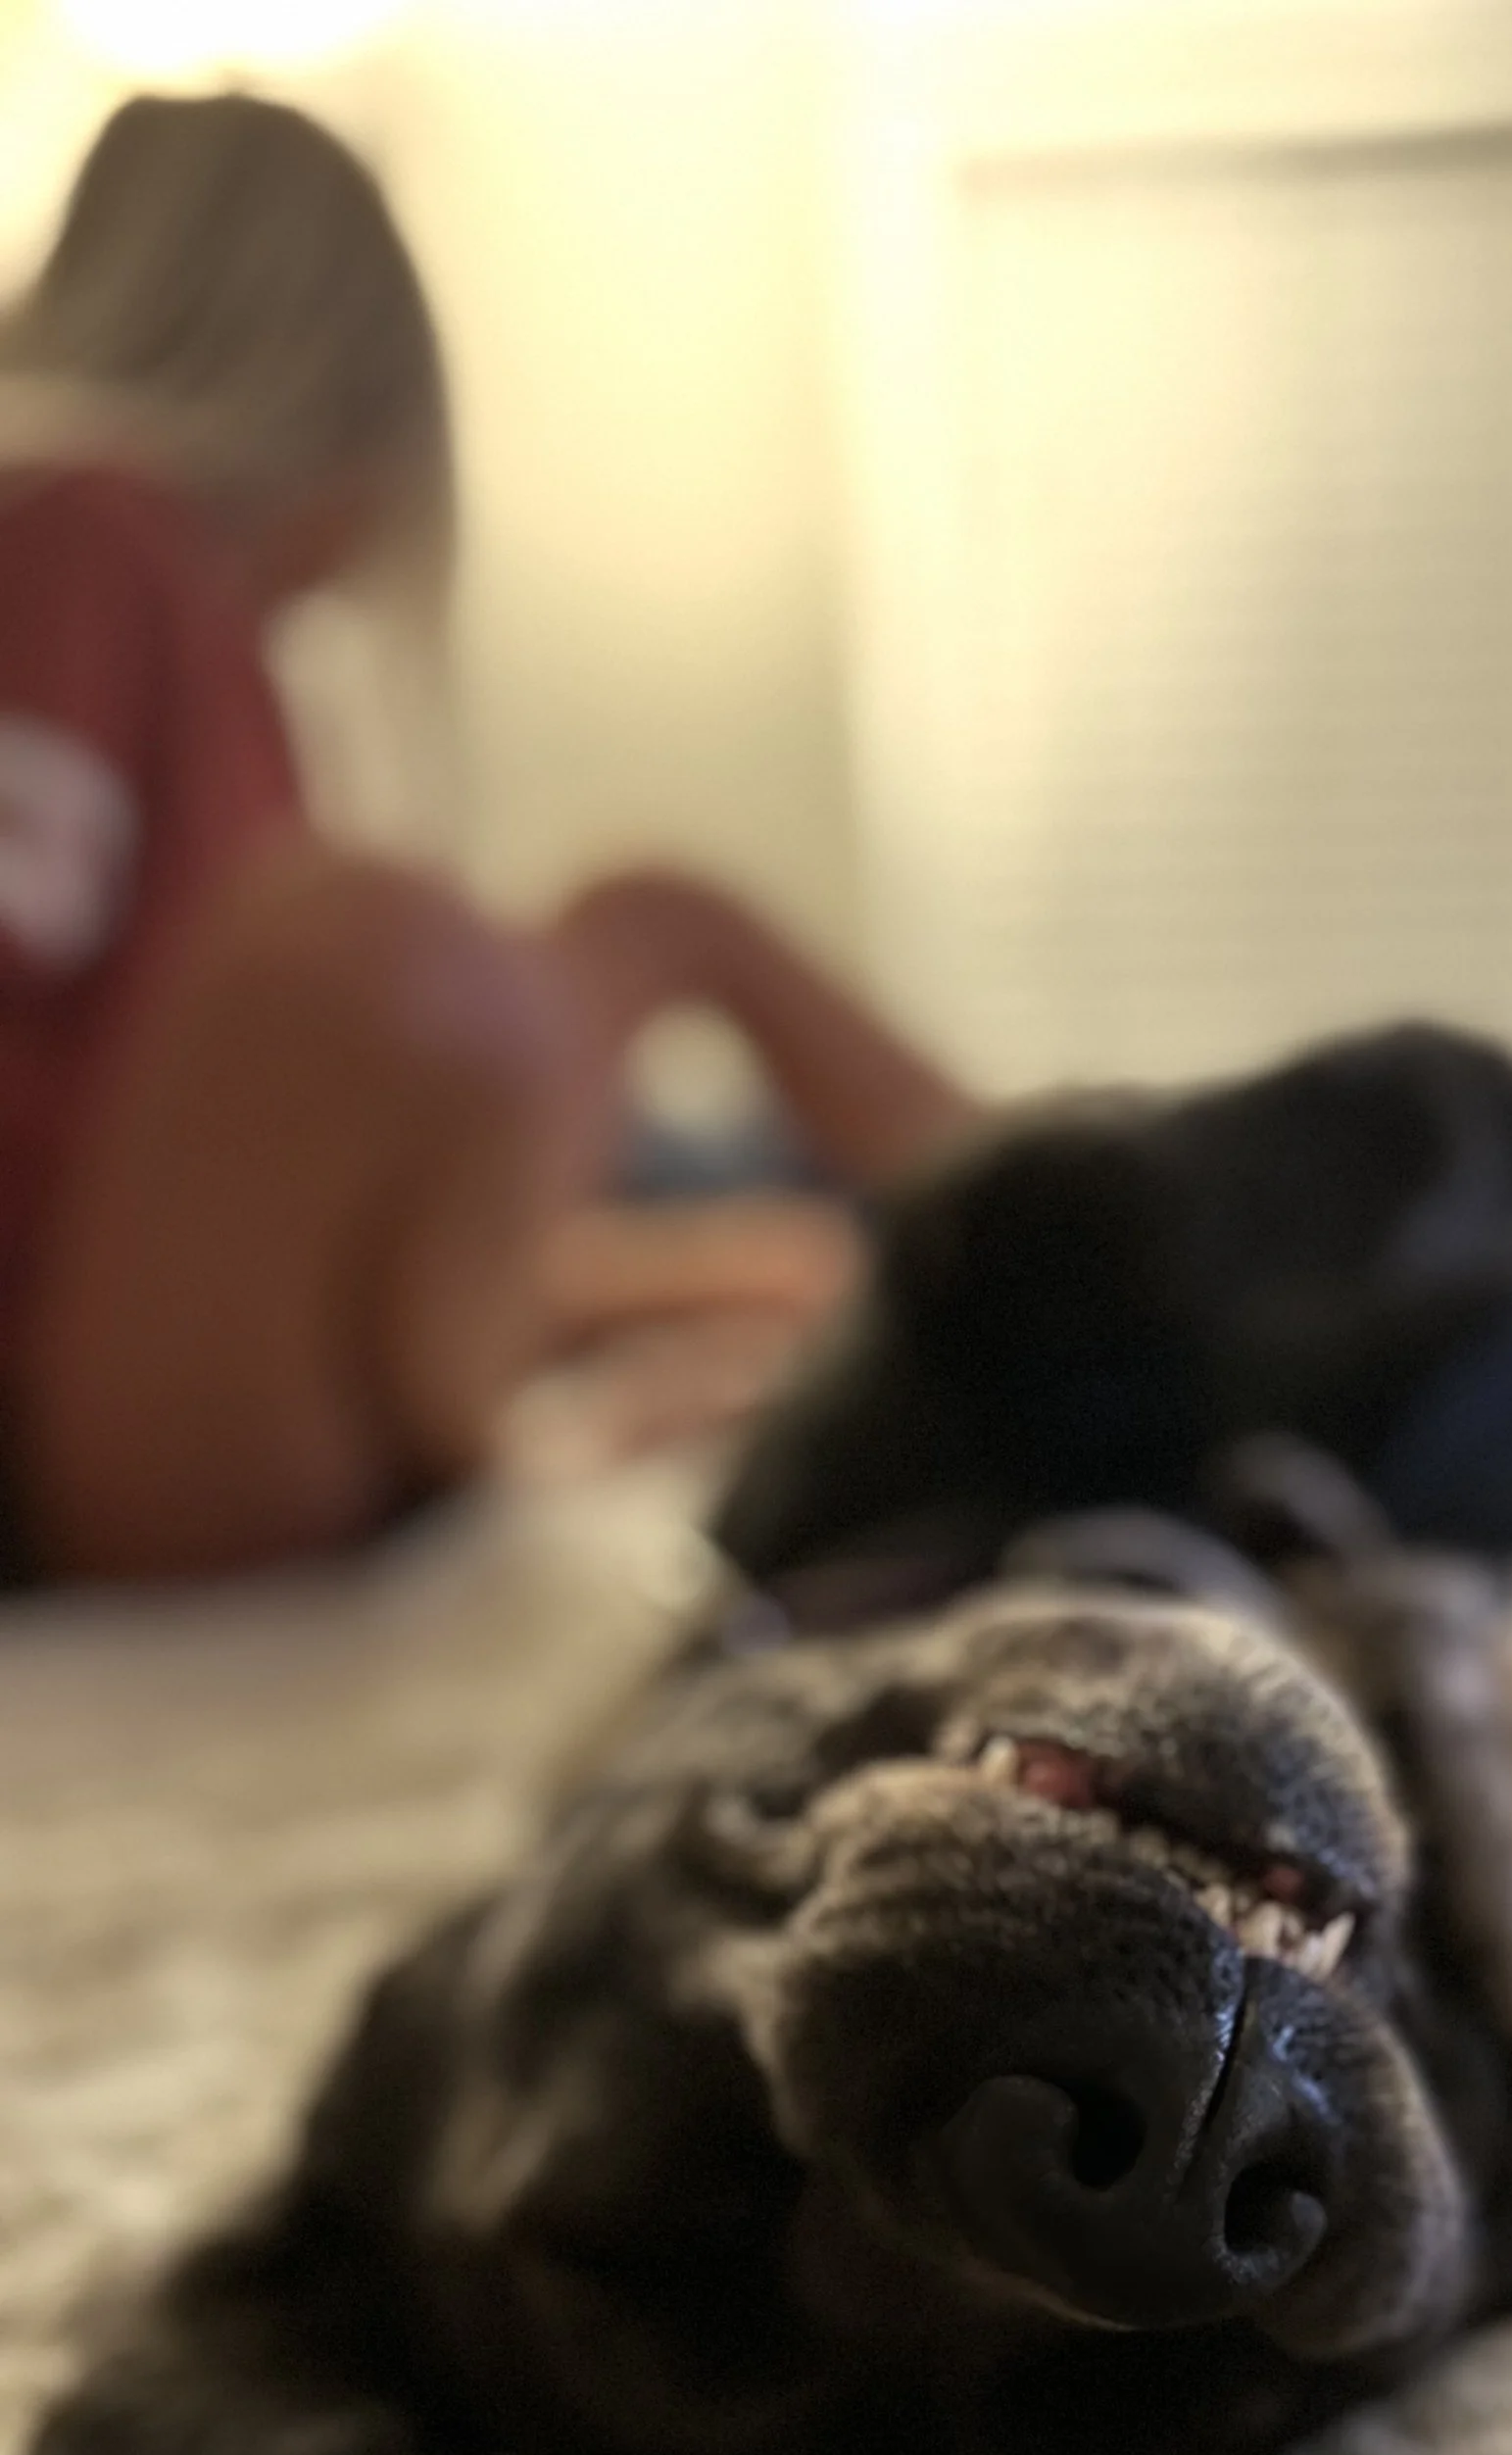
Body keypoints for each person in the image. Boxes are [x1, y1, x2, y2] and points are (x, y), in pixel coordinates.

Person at [0, 90, 976, 1585]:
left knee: (646, 916)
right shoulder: (81, 526)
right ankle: (1068, 1262)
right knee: (382, 947)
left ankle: (1055, 1244)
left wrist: (673, 1285)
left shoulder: (205, 647)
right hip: (66, 1454)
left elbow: (262, 1206)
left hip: (144, 1394)